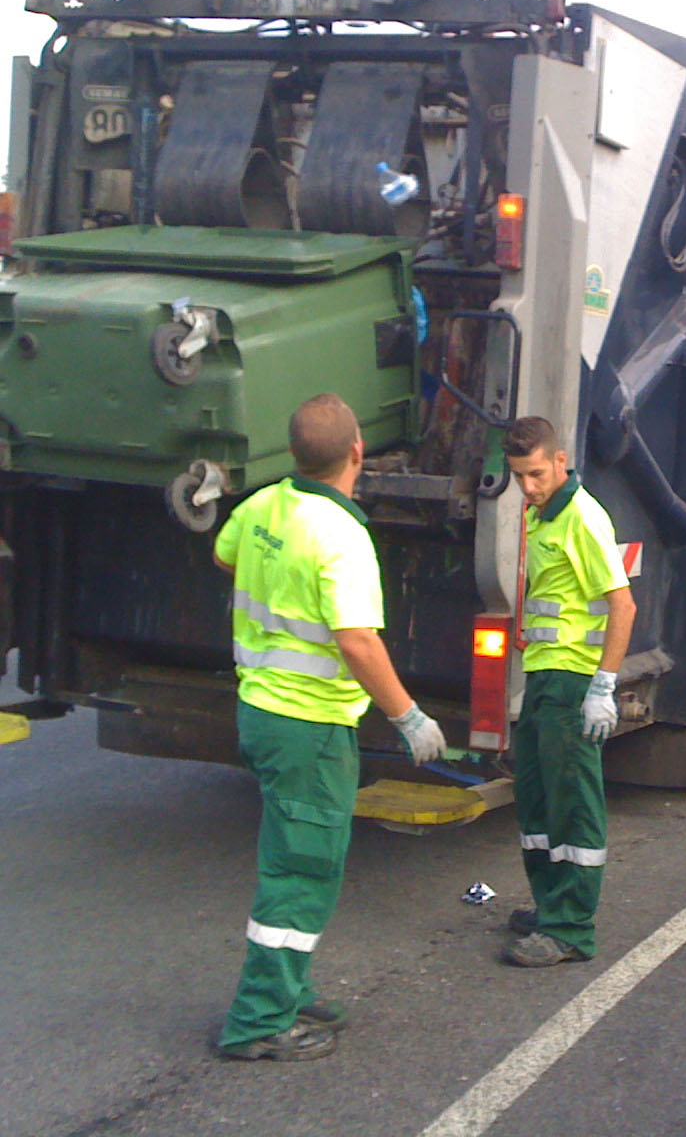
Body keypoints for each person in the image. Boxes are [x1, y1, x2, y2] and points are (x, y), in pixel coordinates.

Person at [212, 393, 447, 1061]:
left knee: (295, 859)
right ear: (356, 453)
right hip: (309, 727)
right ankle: (259, 1022)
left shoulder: (262, 506)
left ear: (293, 453)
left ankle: (288, 989)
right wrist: (409, 717)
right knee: (300, 871)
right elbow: (358, 642)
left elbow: (226, 557)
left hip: (262, 711)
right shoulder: (342, 536)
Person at [500, 415, 636, 968]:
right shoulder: (542, 513)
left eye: (535, 474)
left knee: (574, 804)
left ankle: (571, 930)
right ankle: (550, 905)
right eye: (518, 477)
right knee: (536, 798)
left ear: (560, 460)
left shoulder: (582, 517)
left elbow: (622, 605)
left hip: (573, 683)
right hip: (543, 676)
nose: (527, 487)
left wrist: (603, 687)